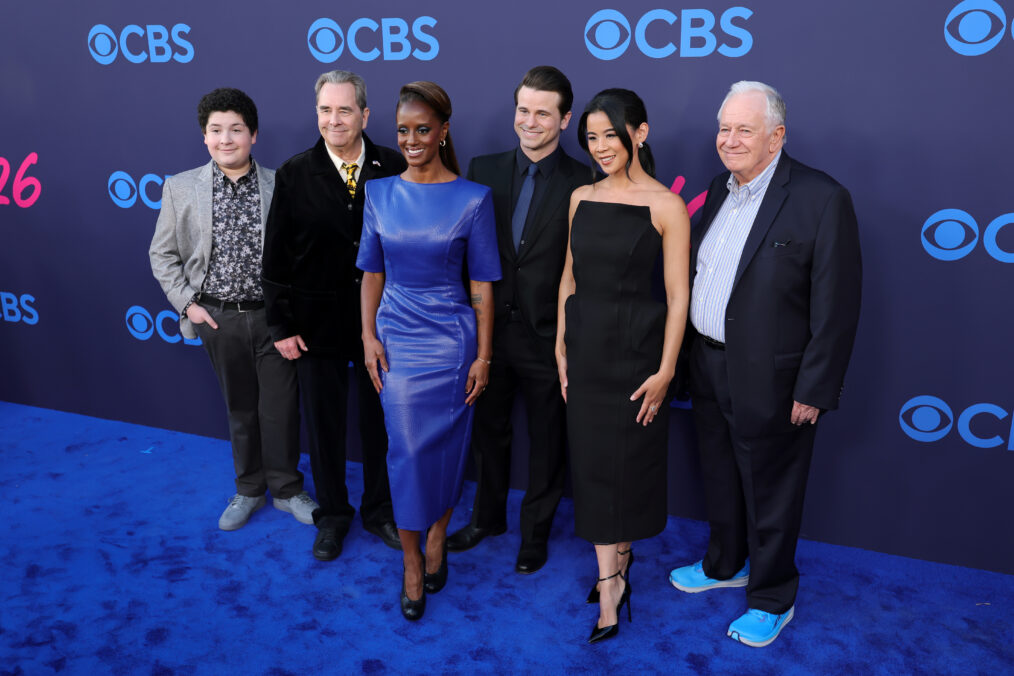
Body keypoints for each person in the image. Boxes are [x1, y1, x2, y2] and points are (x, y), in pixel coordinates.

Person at [668, 81, 862, 648]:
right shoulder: (718, 188)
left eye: (743, 129)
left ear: (776, 136)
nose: (728, 139)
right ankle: (725, 564)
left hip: (776, 381)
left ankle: (773, 597)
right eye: (724, 128)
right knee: (720, 477)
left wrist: (816, 386)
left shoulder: (821, 198)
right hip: (707, 366)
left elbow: (837, 306)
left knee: (772, 490)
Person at [358, 81, 501, 621]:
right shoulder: (379, 193)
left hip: (452, 343)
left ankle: (438, 533)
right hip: (397, 338)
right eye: (402, 130)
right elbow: (371, 273)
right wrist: (369, 336)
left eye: (422, 129)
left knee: (446, 450)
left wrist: (483, 356)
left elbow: (483, 285)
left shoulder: (473, 198)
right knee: (408, 452)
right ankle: (412, 562)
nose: (412, 140)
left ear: (443, 131)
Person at [150, 87, 317, 531]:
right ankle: (248, 490)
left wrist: (293, 316)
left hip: (273, 320)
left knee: (281, 408)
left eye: (236, 130)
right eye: (216, 130)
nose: (226, 139)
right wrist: (189, 306)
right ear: (204, 137)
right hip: (217, 318)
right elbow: (161, 255)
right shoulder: (181, 188)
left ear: (254, 135)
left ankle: (286, 489)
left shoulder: (282, 184)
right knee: (240, 409)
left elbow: (302, 257)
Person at [556, 89, 690, 643]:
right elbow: (570, 274)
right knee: (590, 465)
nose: (601, 146)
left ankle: (618, 567)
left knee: (625, 467)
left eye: (612, 134)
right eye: (591, 136)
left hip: (637, 360)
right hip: (585, 354)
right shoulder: (580, 196)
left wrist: (665, 371)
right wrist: (561, 343)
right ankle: (610, 580)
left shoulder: (666, 206)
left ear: (640, 132)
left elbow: (679, 296)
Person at [447, 66, 590, 574]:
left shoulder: (585, 181)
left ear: (565, 119)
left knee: (549, 441)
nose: (530, 121)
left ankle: (536, 533)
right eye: (523, 110)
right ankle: (487, 518)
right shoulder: (482, 169)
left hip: (551, 338)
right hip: (488, 332)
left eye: (543, 113)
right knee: (488, 430)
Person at [262, 71, 406, 561]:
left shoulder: (395, 165)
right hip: (314, 324)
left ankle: (380, 510)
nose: (333, 120)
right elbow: (276, 257)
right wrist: (281, 326)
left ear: (365, 115)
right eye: (325, 110)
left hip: (384, 323)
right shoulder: (295, 172)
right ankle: (333, 516)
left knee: (378, 422)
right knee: (323, 426)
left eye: (344, 110)